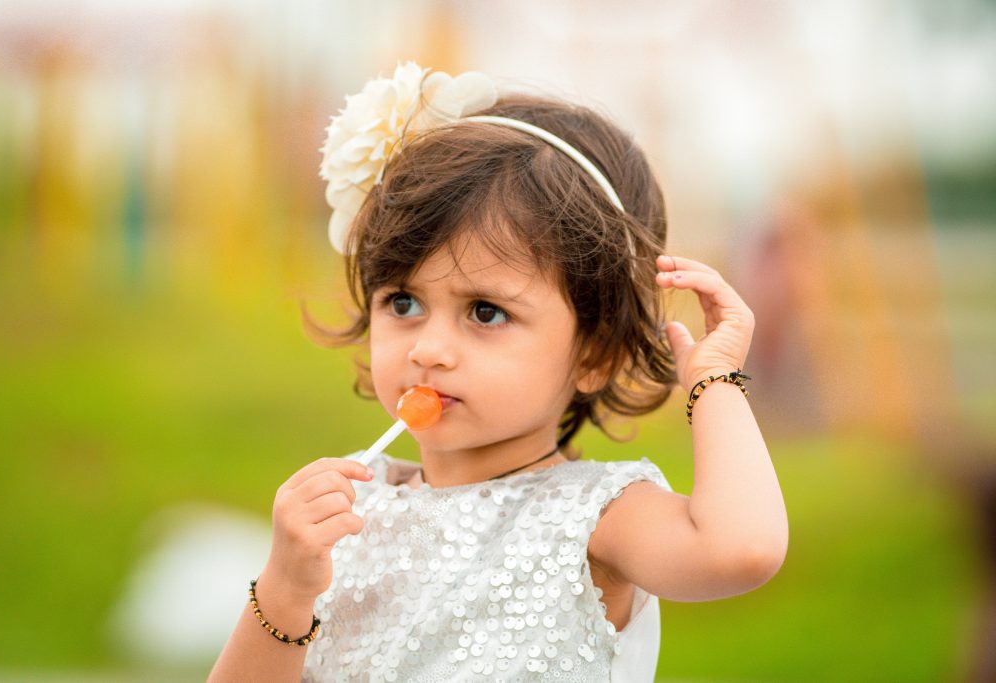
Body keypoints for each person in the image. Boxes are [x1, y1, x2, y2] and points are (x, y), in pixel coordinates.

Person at [209, 62, 788, 682]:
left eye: (485, 312)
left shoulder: (595, 520)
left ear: (594, 354)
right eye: (403, 302)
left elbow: (741, 552)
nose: (429, 349)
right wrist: (284, 592)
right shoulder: (349, 515)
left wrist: (715, 379)